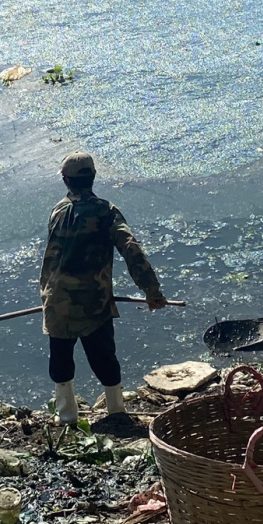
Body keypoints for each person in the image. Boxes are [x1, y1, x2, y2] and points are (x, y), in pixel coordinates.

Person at [39, 153, 167, 426]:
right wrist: (151, 290)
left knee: (61, 360)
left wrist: (46, 297)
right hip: (93, 301)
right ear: (93, 177)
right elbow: (130, 249)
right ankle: (116, 412)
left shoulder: (57, 211)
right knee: (104, 357)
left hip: (56, 301)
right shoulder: (106, 211)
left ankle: (66, 418)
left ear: (66, 181)